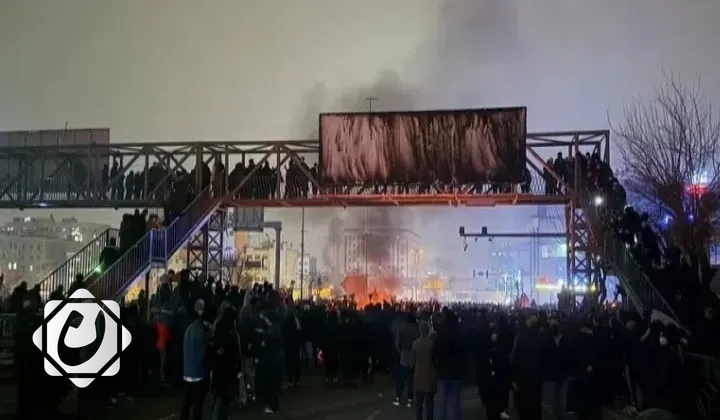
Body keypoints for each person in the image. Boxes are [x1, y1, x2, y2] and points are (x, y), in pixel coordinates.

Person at [180, 299, 209, 420]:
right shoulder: (201, 331)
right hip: (198, 373)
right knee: (197, 402)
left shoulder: (188, 330)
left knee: (187, 401)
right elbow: (204, 351)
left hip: (187, 372)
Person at [412, 321, 436, 420]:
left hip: (418, 374)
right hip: (430, 375)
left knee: (419, 403)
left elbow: (414, 360)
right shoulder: (432, 344)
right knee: (430, 403)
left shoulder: (415, 344)